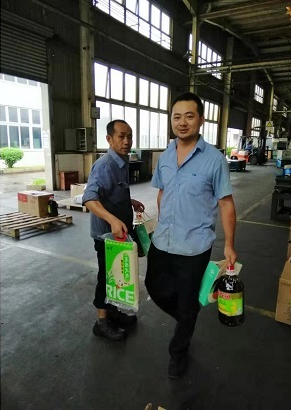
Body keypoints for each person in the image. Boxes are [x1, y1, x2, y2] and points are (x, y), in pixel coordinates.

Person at [145, 91, 236, 379]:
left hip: (194, 246)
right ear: (171, 120)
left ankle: (178, 352)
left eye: (189, 116)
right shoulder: (165, 156)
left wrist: (230, 244)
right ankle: (187, 316)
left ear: (201, 120)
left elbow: (226, 203)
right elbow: (162, 192)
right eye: (176, 117)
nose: (182, 122)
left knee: (186, 302)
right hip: (162, 240)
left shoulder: (214, 160)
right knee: (154, 287)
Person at [82, 120, 145, 342]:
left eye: (130, 136)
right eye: (121, 136)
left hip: (119, 235)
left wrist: (130, 201)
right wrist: (112, 219)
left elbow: (113, 193)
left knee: (116, 276)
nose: (127, 141)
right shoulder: (105, 165)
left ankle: (113, 312)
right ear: (109, 139)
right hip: (105, 236)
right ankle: (101, 322)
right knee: (106, 278)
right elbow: (89, 199)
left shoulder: (122, 162)